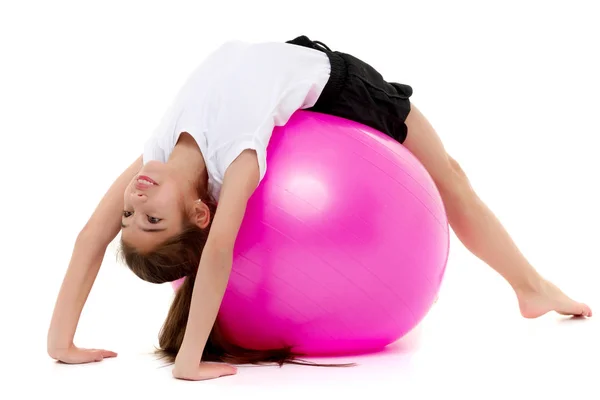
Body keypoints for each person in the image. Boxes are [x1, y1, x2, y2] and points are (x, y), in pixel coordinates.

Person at [47, 35, 592, 381]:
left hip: (289, 59)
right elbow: (217, 257)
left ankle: (528, 285)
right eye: (152, 220)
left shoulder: (157, 155)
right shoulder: (239, 162)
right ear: (199, 214)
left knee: (453, 175)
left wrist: (60, 342)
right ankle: (530, 286)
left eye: (130, 216)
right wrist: (188, 362)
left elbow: (89, 236)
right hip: (335, 83)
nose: (135, 203)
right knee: (450, 177)